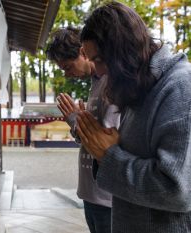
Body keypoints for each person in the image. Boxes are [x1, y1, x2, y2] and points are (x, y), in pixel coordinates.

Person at [76, 2, 191, 232]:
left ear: (123, 50)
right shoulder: (138, 86)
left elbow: (176, 190)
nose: (97, 72)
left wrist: (109, 156)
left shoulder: (179, 88)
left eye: (99, 60)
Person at [46, 27, 120, 233]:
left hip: (107, 196)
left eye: (68, 66)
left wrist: (74, 120)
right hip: (92, 192)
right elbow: (88, 137)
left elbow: (104, 139)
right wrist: (79, 123)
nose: (68, 74)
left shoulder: (111, 82)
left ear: (83, 52)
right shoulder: (96, 83)